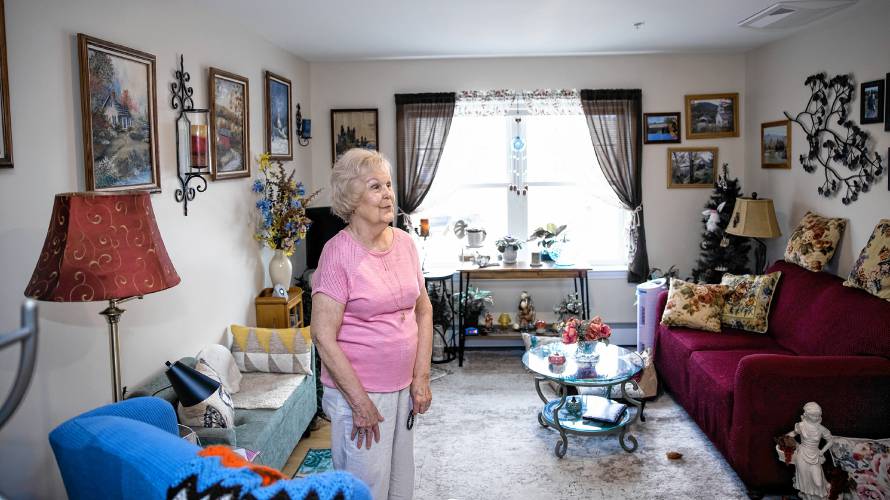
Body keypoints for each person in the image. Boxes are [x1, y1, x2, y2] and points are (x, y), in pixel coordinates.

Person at [311, 148, 433, 499]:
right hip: (360, 393)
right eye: (376, 186)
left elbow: (423, 310)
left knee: (400, 481)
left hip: (403, 386)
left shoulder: (406, 243)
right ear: (352, 197)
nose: (388, 195)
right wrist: (360, 403)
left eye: (389, 185)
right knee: (365, 488)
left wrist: (421, 377)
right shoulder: (337, 253)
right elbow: (323, 336)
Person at [787, 402, 833, 500]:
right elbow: (791, 435)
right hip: (802, 454)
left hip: (815, 455)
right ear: (806, 415)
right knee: (804, 480)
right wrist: (789, 441)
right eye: (813, 416)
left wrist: (822, 451)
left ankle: (820, 496)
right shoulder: (801, 425)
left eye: (818, 416)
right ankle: (808, 497)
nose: (816, 418)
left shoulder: (821, 429)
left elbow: (830, 441)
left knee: (818, 482)